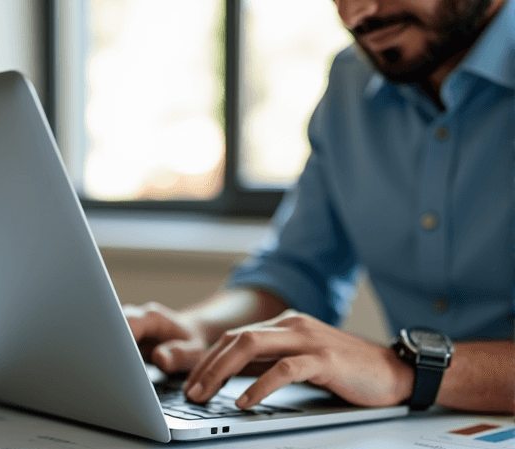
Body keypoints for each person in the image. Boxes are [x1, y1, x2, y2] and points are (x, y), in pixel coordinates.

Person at [126, 0, 514, 415]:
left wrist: (404, 370)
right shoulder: (352, 81)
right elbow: (299, 272)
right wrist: (200, 331)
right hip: (427, 434)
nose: (358, 12)